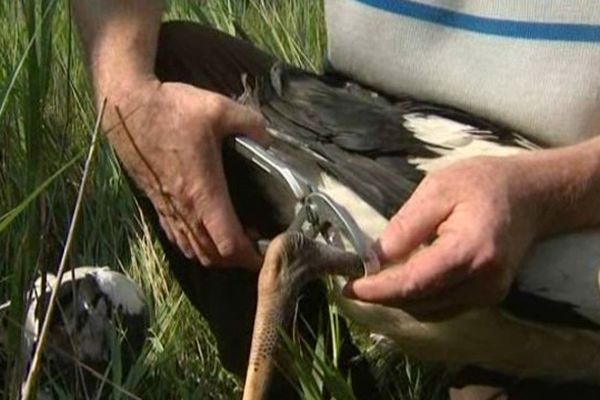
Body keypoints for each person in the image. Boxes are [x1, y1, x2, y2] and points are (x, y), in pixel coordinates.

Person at [73, 0, 600, 398]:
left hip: (572, 191)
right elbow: (129, 77)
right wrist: (128, 93)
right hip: (366, 128)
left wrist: (551, 190)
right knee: (167, 71)